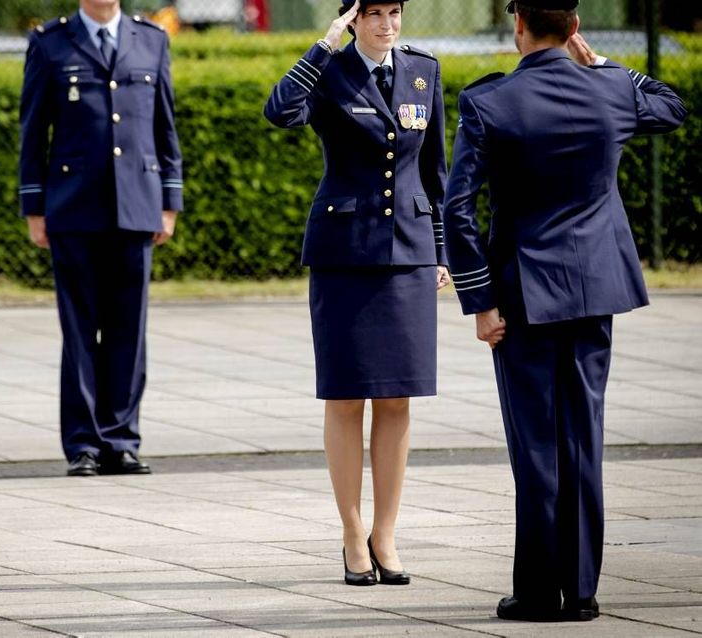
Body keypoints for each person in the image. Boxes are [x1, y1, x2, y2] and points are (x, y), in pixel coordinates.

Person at [442, 0, 686, 622]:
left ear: (517, 25)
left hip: (523, 294)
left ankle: (536, 591)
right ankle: (580, 591)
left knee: (536, 445)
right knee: (583, 439)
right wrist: (602, 63)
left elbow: (458, 210)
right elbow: (670, 105)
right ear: (574, 27)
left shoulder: (489, 102)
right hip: (595, 290)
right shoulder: (608, 92)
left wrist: (480, 300)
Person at [264, 0, 451, 586]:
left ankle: (386, 533)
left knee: (397, 400)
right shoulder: (330, 71)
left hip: (410, 253)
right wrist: (323, 46)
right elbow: (280, 111)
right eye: (371, 13)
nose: (385, 24)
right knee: (346, 400)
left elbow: (436, 171)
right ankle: (351, 533)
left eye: (393, 12)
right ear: (351, 19)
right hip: (345, 254)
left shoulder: (424, 70)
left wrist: (442, 250)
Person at [17, 0, 182, 477]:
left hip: (137, 204)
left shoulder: (151, 39)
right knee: (80, 329)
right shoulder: (49, 42)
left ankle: (121, 440)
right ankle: (85, 444)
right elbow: (33, 132)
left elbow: (164, 128)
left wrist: (169, 202)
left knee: (129, 331)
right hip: (72, 207)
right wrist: (34, 206)